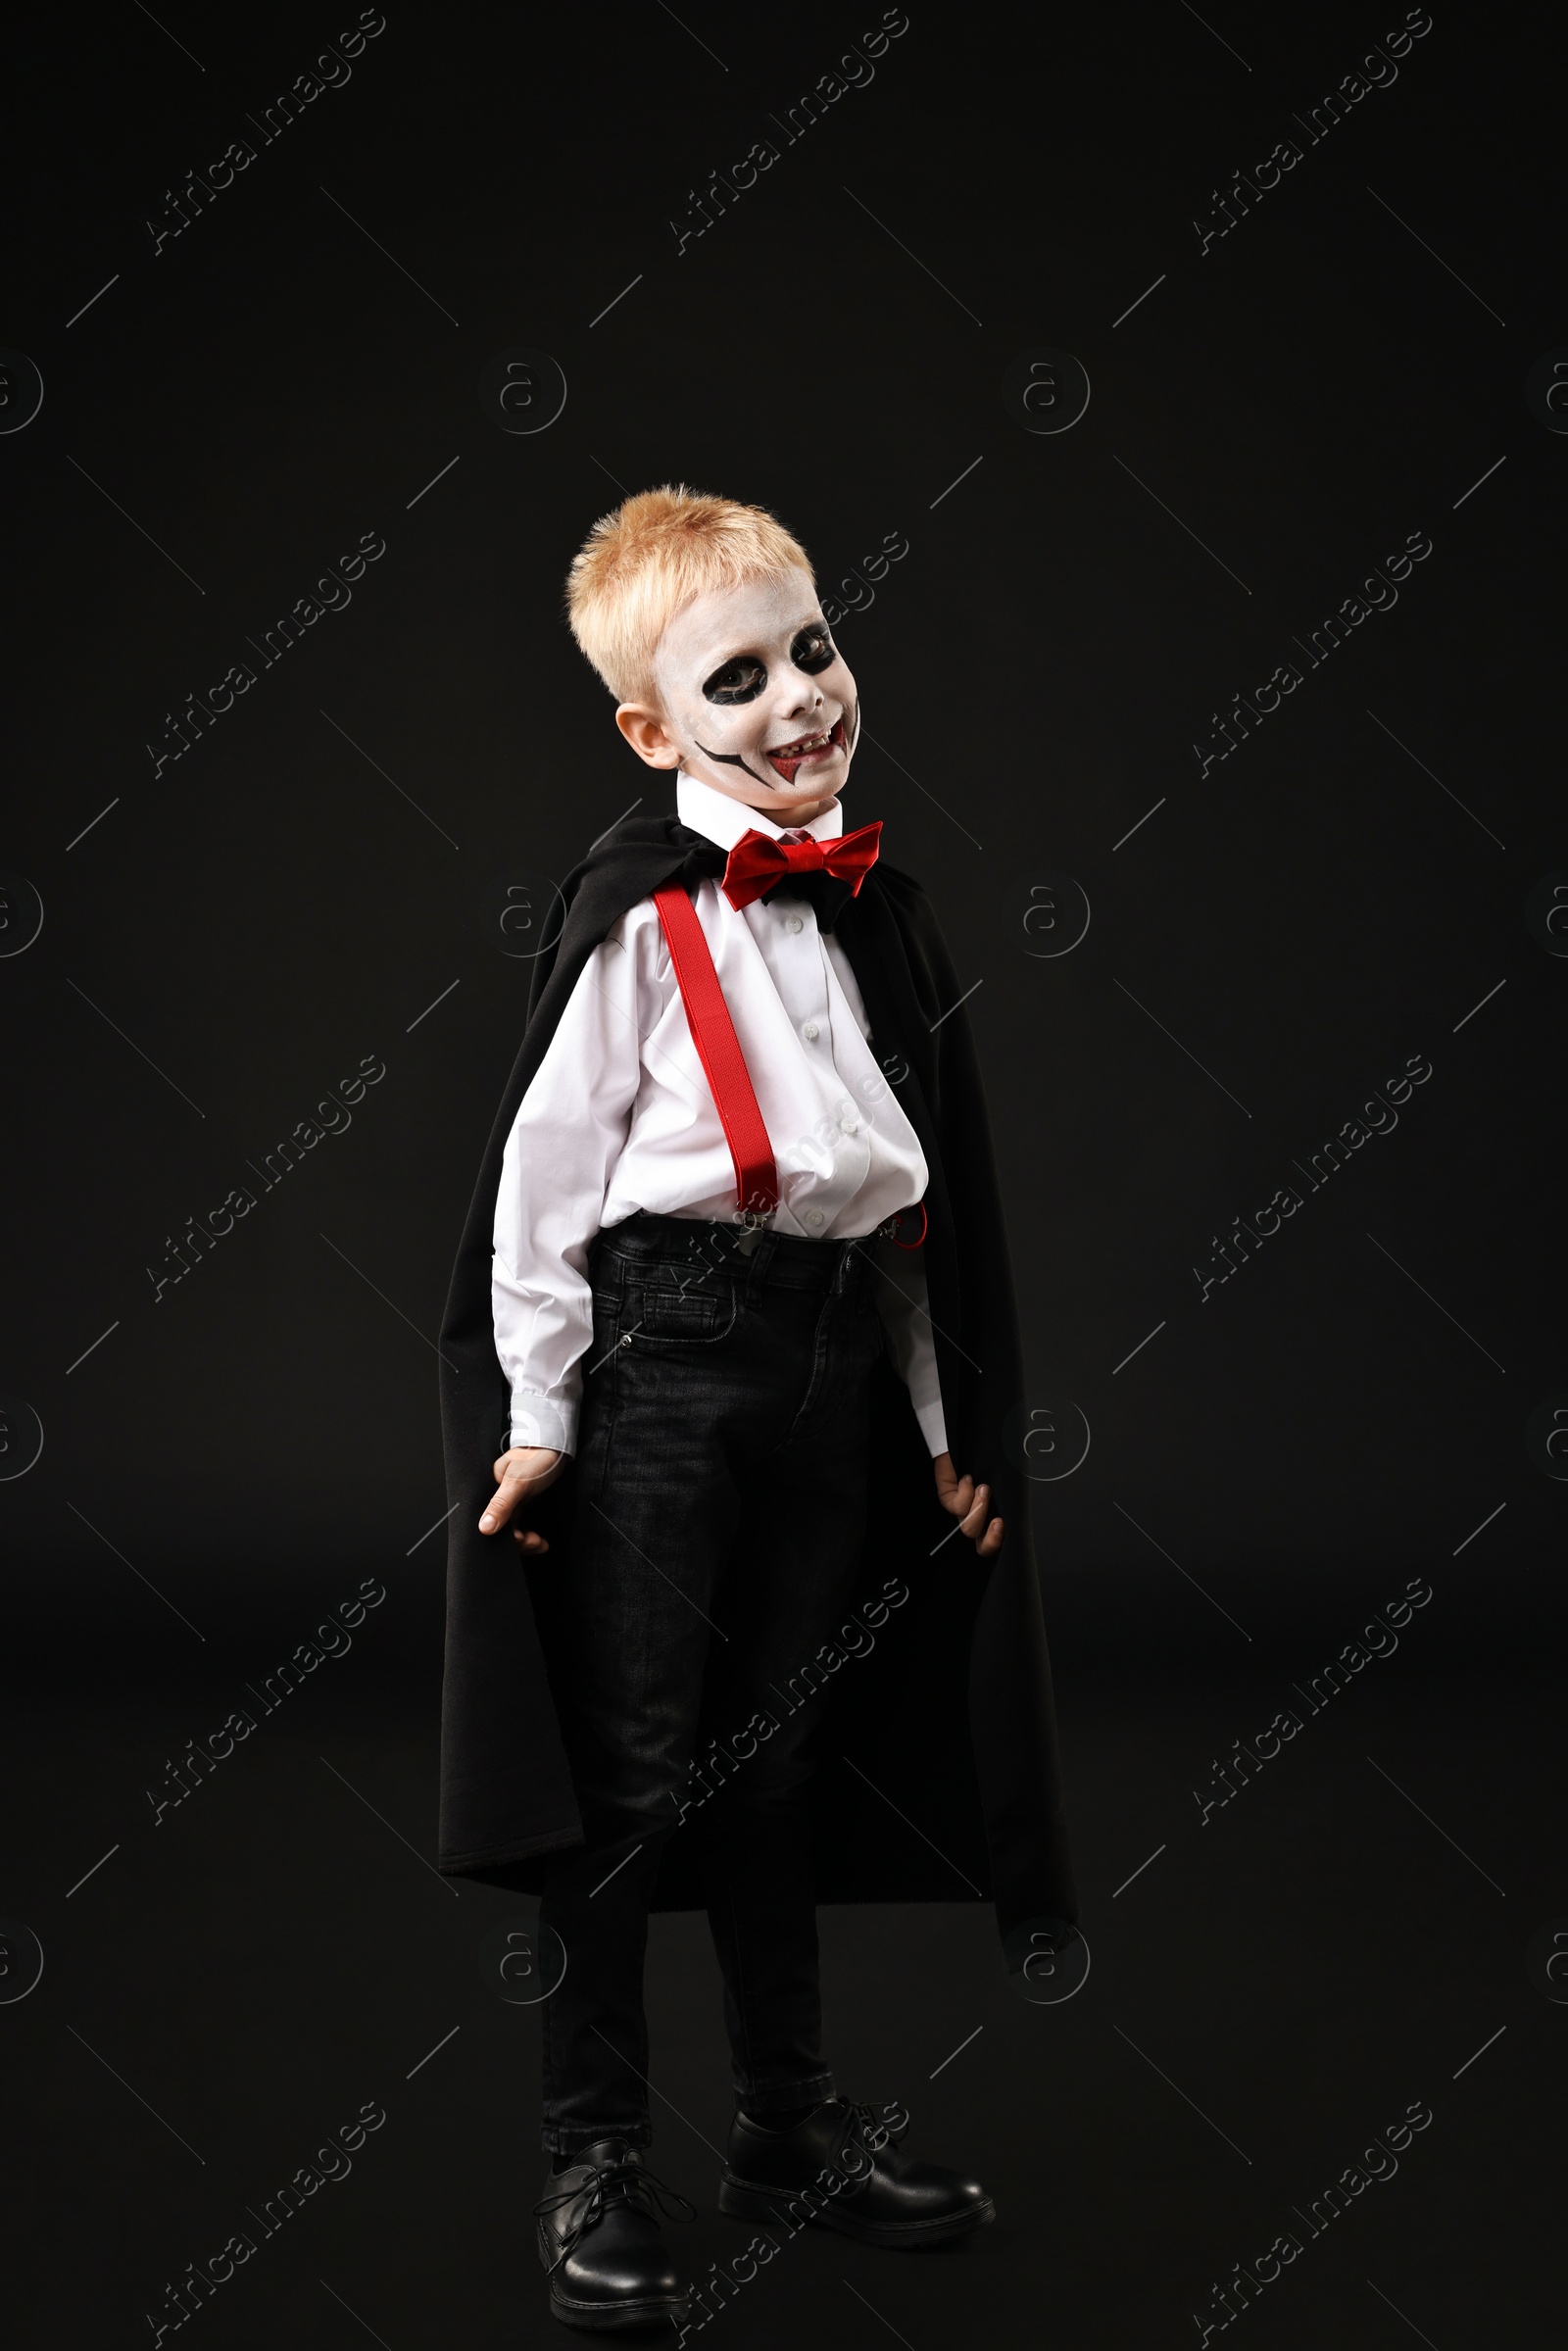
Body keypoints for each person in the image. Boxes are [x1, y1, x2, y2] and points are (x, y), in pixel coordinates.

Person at [436, 486, 1075, 2332]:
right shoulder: (634, 914)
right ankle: (595, 2153)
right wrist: (541, 1414)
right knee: (631, 1775)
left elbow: (914, 1220)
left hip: (824, 1364)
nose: (801, 699)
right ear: (651, 730)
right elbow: (537, 1194)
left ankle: (786, 2121)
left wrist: (948, 1426)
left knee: (780, 1752)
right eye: (739, 677)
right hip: (661, 1363)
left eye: (815, 648)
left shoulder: (879, 910)